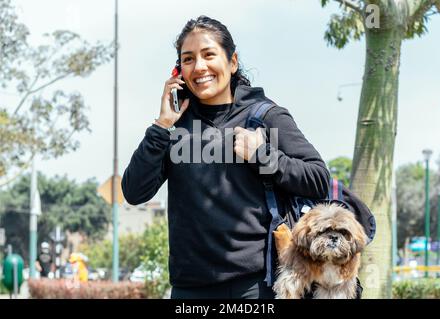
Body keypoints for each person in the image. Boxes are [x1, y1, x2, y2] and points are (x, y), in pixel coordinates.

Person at [122, 15, 329, 299]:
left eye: (209, 55)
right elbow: (134, 192)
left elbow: (318, 178)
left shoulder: (264, 116)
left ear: (232, 62)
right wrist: (161, 125)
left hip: (256, 286)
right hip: (189, 290)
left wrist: (262, 156)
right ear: (178, 70)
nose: (199, 67)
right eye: (188, 59)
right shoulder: (174, 128)